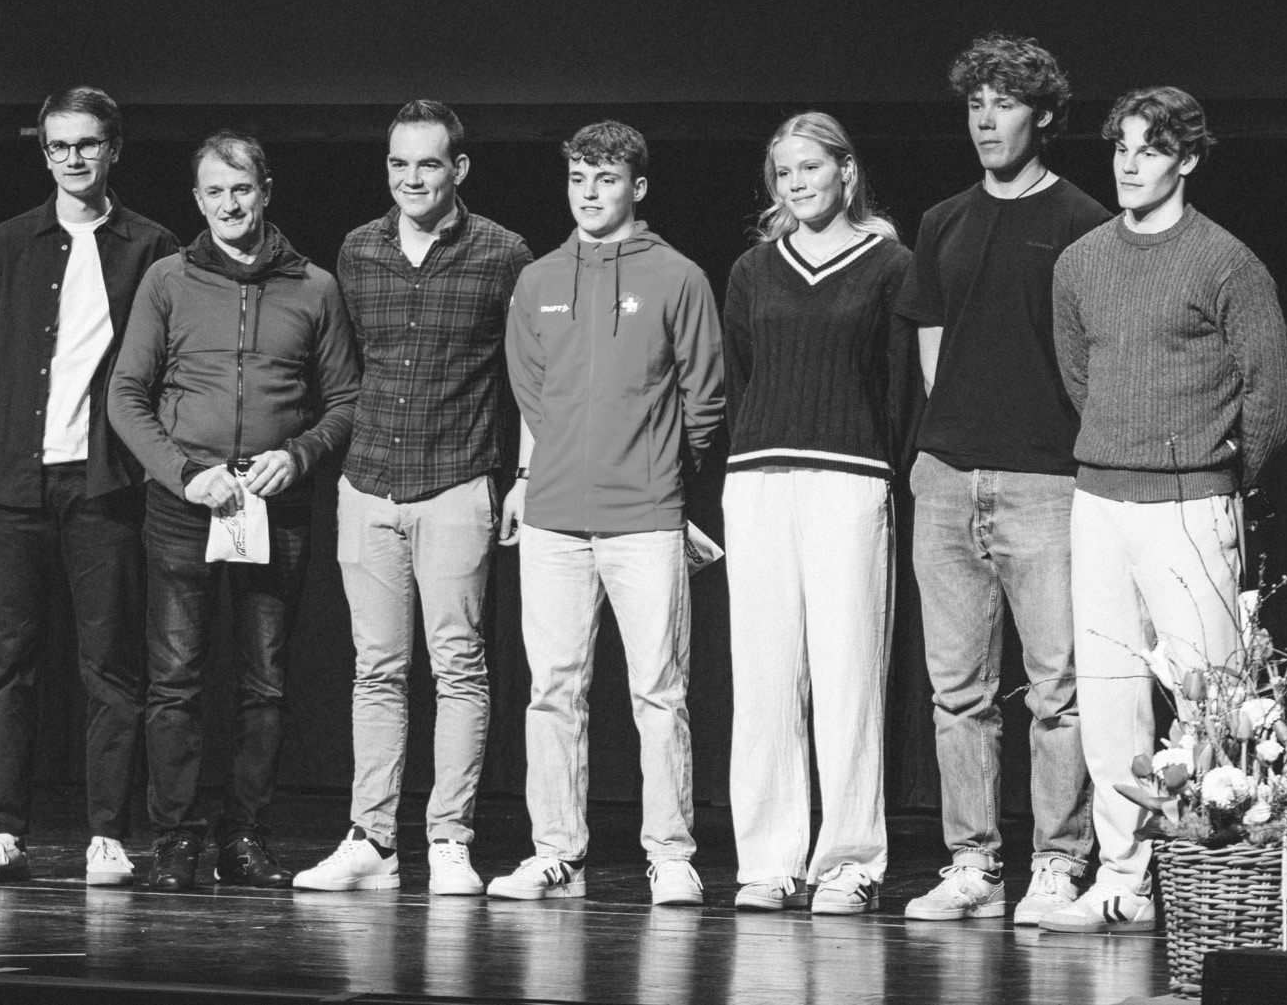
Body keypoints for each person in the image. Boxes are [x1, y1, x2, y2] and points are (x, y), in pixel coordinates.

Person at [1042, 86, 1287, 933]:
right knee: (1109, 695)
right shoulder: (1080, 261)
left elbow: (1274, 394)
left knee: (1211, 703)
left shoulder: (1226, 262)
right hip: (1099, 499)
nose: (1128, 163)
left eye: (1150, 149)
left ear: (1187, 158)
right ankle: (1123, 880)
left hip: (1190, 501)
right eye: (1121, 146)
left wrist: (1217, 474)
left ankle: (1215, 882)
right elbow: (1079, 377)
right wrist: (1119, 447)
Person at [108, 128, 361, 892]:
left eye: (241, 189)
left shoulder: (314, 286)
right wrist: (185, 475)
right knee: (175, 679)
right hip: (186, 505)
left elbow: (346, 400)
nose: (229, 204)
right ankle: (176, 839)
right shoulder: (168, 280)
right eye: (215, 191)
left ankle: (244, 835)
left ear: (266, 191)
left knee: (266, 682)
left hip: (276, 508)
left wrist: (301, 454)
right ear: (197, 200)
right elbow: (126, 396)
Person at [293, 102, 532, 895]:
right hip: (368, 483)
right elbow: (351, 368)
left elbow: (531, 376)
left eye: (428, 164)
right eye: (399, 163)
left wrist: (523, 476)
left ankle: (450, 839)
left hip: (457, 479)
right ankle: (372, 839)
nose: (412, 178)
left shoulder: (503, 253)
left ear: (458, 169)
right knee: (376, 670)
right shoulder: (359, 249)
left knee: (458, 666)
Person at [898, 35, 1111, 924]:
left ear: (1045, 115)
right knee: (958, 690)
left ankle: (1058, 861)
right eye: (976, 103)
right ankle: (973, 864)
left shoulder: (1083, 220)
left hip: (1046, 481)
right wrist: (944, 439)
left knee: (1057, 687)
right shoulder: (943, 220)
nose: (987, 120)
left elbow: (1096, 352)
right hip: (948, 474)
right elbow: (930, 335)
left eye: (1006, 102)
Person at [0, 86, 177, 887]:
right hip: (11, 482)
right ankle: (5, 830)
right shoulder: (10, 241)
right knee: (8, 660)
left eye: (87, 143)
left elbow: (163, 370)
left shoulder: (151, 244)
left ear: (114, 149)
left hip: (103, 484)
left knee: (109, 664)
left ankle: (107, 834)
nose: (73, 158)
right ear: (44, 153)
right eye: (58, 145)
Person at [491, 120, 724, 905]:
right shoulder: (538, 279)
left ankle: (671, 855)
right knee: (552, 690)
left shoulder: (678, 276)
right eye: (578, 178)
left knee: (659, 692)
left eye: (607, 179)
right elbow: (531, 391)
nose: (589, 194)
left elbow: (704, 398)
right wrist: (544, 471)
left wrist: (658, 473)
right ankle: (556, 852)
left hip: (646, 516)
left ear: (637, 186)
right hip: (553, 517)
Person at [721, 112, 914, 916]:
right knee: (764, 677)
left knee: (848, 674)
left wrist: (882, 469)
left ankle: (849, 861)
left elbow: (900, 387)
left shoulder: (891, 264)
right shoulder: (753, 270)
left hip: (850, 476)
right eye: (784, 172)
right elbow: (741, 377)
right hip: (759, 477)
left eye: (811, 167)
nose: (797, 183)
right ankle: (769, 860)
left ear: (847, 171)